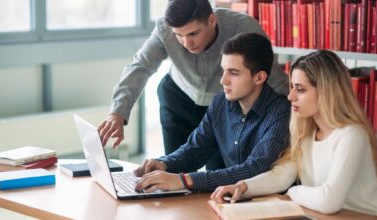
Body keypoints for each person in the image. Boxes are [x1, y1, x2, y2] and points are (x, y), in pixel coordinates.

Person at [97, 0, 288, 170]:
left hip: (222, 107)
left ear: (212, 20)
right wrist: (118, 112)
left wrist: (295, 119)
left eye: (193, 33)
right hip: (177, 99)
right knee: (171, 168)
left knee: (217, 174)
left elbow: (272, 78)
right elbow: (141, 66)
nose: (186, 42)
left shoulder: (244, 28)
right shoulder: (164, 28)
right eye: (179, 35)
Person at [210, 50, 377, 217]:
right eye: (292, 87)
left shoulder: (351, 135)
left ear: (327, 92)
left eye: (300, 89)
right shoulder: (308, 135)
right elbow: (280, 177)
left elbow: (329, 201)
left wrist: (293, 191)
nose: (290, 97)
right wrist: (242, 187)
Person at [133, 32, 290, 193]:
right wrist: (164, 163)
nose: (223, 80)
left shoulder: (281, 113)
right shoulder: (221, 102)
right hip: (231, 200)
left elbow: (254, 170)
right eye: (223, 71)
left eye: (234, 73)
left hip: (267, 205)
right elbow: (195, 149)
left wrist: (185, 180)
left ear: (259, 77)